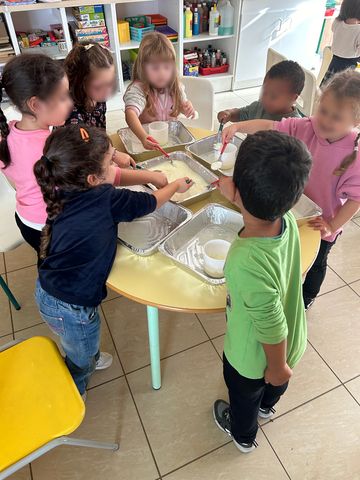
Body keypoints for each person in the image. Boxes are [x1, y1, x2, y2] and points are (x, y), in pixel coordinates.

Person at [33, 124, 193, 399]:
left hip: (51, 294)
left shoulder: (64, 187)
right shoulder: (105, 200)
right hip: (73, 307)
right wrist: (175, 186)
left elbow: (115, 180)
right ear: (94, 178)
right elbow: (150, 203)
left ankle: (86, 354)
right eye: (110, 159)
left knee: (78, 343)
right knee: (80, 354)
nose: (114, 162)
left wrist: (148, 174)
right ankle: (77, 387)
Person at [222, 69, 360, 311]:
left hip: (321, 223)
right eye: (324, 111)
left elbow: (355, 199)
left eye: (336, 118)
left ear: (355, 122)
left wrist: (333, 225)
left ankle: (307, 298)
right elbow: (269, 124)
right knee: (289, 255)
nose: (326, 121)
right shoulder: (306, 126)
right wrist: (239, 126)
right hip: (291, 210)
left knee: (316, 263)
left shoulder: (355, 153)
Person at [213, 130, 313, 453]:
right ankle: (268, 404)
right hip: (294, 340)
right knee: (272, 388)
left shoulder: (244, 260)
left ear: (239, 191)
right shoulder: (287, 220)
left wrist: (277, 367)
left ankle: (243, 434)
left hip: (254, 359)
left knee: (245, 396)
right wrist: (237, 194)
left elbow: (271, 326)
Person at [0, 54, 73, 266]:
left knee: (46, 261)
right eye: (62, 98)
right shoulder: (50, 148)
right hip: (49, 225)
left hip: (24, 219)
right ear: (35, 104)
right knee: (61, 266)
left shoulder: (8, 131)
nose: (69, 102)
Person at [60, 41, 134, 168]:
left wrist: (106, 144)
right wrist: (112, 153)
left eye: (110, 83)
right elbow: (81, 147)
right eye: (98, 86)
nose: (107, 90)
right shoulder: (69, 109)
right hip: (74, 159)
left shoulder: (98, 96)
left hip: (95, 150)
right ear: (80, 83)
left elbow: (98, 129)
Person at [124, 31, 195, 151]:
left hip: (170, 140)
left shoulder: (175, 87)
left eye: (166, 67)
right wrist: (143, 136)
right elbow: (130, 114)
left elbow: (182, 105)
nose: (162, 73)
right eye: (155, 68)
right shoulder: (138, 90)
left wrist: (187, 107)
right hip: (146, 144)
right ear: (142, 67)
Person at [218, 60, 304, 124]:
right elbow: (240, 114)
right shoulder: (259, 108)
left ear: (292, 98)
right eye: (264, 92)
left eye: (273, 96)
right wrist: (228, 114)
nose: (266, 99)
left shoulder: (296, 125)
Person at [321, 0, 360, 85]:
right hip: (348, 68)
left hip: (334, 63)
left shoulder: (337, 23)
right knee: (342, 89)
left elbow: (334, 27)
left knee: (328, 86)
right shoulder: (358, 30)